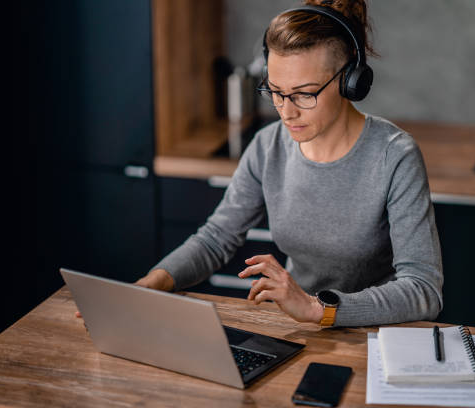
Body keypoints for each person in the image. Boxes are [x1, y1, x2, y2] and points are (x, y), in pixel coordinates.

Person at [137, 0, 443, 327]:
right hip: (297, 329)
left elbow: (423, 289)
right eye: (276, 91)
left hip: (375, 336)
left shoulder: (394, 156)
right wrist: (154, 282)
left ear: (350, 80)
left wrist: (317, 308)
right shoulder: (268, 147)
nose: (286, 111)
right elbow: (215, 239)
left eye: (304, 94)